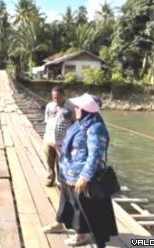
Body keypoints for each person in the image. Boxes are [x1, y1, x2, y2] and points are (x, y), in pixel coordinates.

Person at [42, 93, 118, 248]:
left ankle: (80, 235)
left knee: (80, 206)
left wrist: (84, 176)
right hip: (68, 171)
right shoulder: (79, 123)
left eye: (78, 107)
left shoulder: (95, 128)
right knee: (66, 203)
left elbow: (95, 154)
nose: (75, 109)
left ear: (85, 110)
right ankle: (59, 223)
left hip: (80, 175)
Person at [43, 86, 74, 187]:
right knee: (49, 161)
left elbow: (75, 123)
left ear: (63, 96)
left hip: (63, 141)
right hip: (48, 138)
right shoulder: (49, 106)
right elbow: (47, 120)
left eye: (58, 97)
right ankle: (50, 179)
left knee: (61, 163)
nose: (55, 99)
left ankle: (61, 182)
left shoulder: (71, 107)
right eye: (53, 97)